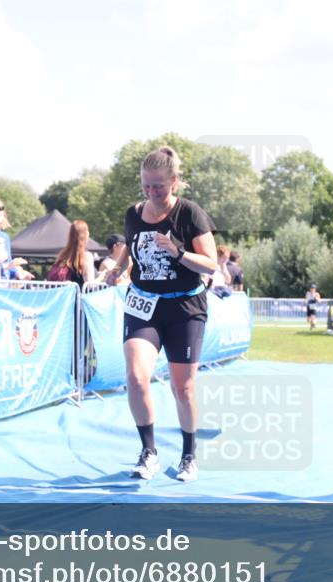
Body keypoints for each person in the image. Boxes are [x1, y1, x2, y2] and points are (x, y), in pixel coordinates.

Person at [105, 146, 218, 483]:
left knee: (183, 388)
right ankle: (148, 451)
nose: (152, 192)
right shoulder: (133, 213)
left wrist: (177, 251)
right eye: (146, 186)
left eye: (159, 186)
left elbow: (210, 264)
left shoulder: (190, 214)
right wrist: (118, 268)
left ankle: (188, 455)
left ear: (174, 182)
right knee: (136, 376)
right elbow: (131, 244)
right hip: (144, 304)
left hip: (185, 307)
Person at [47, 220, 96, 288]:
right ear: (85, 234)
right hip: (79, 294)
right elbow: (90, 285)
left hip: (64, 294)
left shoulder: (63, 255)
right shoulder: (86, 256)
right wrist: (103, 277)